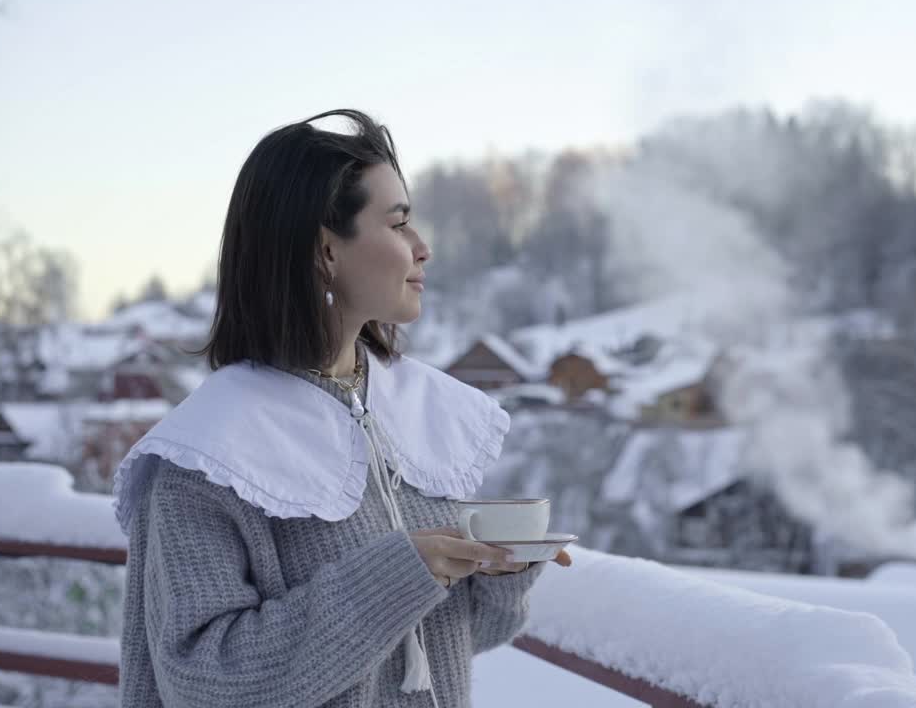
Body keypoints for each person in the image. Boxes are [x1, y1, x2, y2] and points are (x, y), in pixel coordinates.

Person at [111, 109, 572, 708]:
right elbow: (202, 683)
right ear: (326, 251)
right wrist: (390, 582)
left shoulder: (412, 414)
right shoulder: (206, 458)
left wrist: (501, 575)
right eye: (399, 223)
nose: (422, 248)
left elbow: (453, 639)